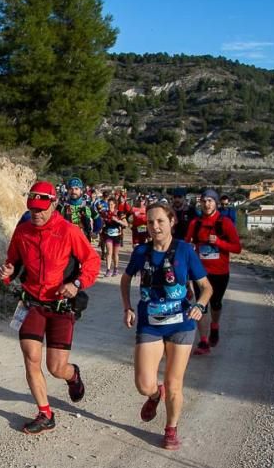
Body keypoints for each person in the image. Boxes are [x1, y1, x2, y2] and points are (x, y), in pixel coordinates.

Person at [0, 181, 100, 434]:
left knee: (56, 368)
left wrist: (77, 283)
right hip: (32, 303)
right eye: (33, 209)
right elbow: (13, 263)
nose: (37, 214)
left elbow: (92, 261)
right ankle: (45, 413)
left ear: (54, 204)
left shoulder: (69, 231)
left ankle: (72, 375)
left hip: (61, 306)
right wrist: (7, 273)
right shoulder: (22, 232)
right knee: (31, 360)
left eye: (42, 208)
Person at [120, 202, 213, 450]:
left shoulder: (185, 250)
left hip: (181, 324)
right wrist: (127, 307)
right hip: (150, 323)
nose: (154, 226)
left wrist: (200, 306)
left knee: (174, 383)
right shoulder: (141, 252)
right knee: (143, 384)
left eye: (160, 221)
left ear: (172, 221)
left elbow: (206, 287)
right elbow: (126, 278)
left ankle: (171, 429)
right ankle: (154, 395)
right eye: (150, 222)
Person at [185, 189, 243, 354]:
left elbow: (237, 248)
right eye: (204, 201)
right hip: (200, 272)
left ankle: (215, 326)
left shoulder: (225, 223)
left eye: (210, 201)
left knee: (215, 304)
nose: (207, 204)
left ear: (216, 203)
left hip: (220, 272)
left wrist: (219, 242)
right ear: (200, 203)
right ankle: (203, 341)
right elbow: (186, 242)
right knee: (201, 304)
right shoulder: (195, 223)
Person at [99, 199, 130, 276]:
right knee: (109, 252)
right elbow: (101, 223)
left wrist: (117, 220)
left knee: (115, 254)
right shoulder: (105, 213)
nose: (110, 206)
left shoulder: (119, 213)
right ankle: (108, 270)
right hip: (108, 235)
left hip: (117, 236)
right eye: (109, 204)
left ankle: (115, 269)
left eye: (112, 204)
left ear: (115, 205)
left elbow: (126, 224)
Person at [61, 177, 95, 241]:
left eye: (76, 189)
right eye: (71, 189)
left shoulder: (87, 205)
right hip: (68, 240)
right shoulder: (62, 206)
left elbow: (98, 219)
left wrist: (95, 232)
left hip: (84, 241)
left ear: (81, 190)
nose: (73, 191)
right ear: (68, 190)